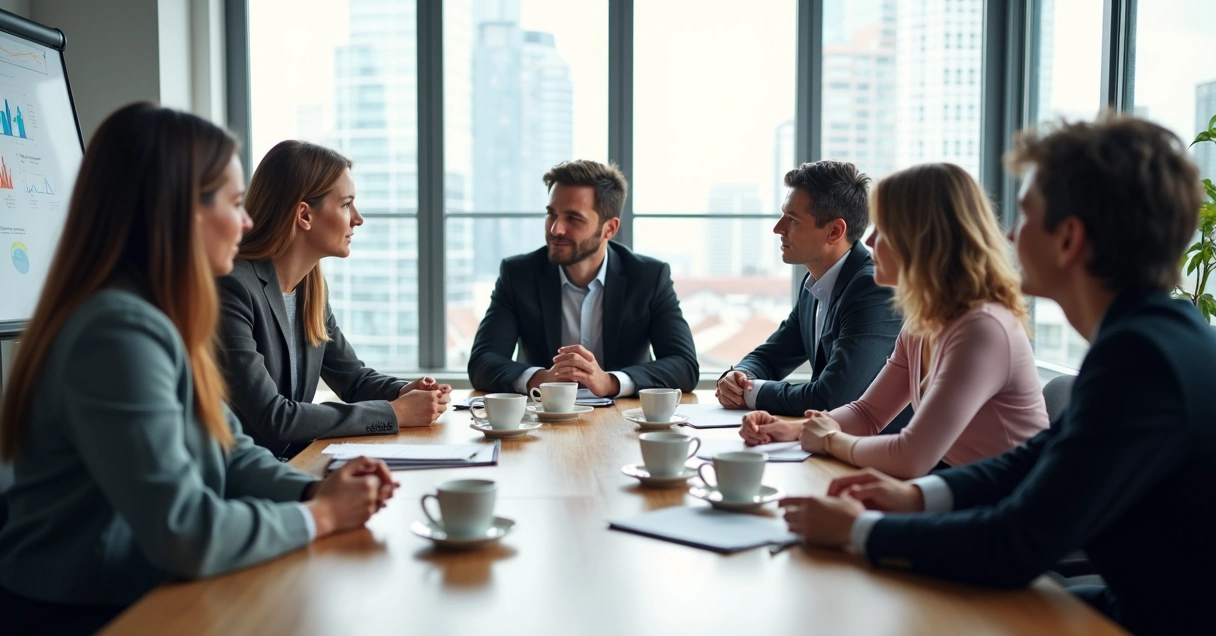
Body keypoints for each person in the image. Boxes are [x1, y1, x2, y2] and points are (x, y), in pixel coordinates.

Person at [779, 115, 1214, 636]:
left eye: (1026, 215)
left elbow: (1017, 543)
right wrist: (918, 498)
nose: (1008, 234)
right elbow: (1034, 458)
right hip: (1148, 606)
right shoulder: (1152, 337)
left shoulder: (1141, 359)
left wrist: (862, 531)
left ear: (1069, 239)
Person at [0, 103, 394, 636]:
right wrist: (321, 517)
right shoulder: (116, 331)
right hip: (87, 614)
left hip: (137, 591)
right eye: (235, 203)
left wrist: (311, 494)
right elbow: (182, 529)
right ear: (179, 212)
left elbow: (227, 448)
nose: (249, 222)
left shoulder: (160, 314)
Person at [741, 163, 1047, 478]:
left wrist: (829, 441)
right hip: (959, 487)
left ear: (924, 240)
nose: (869, 242)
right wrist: (797, 430)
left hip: (1007, 503)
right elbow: (867, 413)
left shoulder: (983, 328)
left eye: (883, 230)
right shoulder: (921, 320)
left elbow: (910, 456)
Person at [217, 141, 450, 459]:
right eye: (346, 205)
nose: (358, 218)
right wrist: (394, 413)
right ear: (304, 215)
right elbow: (273, 417)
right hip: (243, 486)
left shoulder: (310, 288)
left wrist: (407, 391)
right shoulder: (233, 288)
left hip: (294, 467)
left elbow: (352, 379)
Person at [467, 160, 698, 396]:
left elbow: (684, 366)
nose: (556, 229)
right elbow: (482, 362)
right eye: (552, 214)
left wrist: (611, 382)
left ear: (609, 228)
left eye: (573, 218)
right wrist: (541, 378)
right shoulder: (518, 274)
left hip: (623, 421)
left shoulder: (648, 277)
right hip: (542, 418)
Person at [715, 161, 909, 429]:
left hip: (883, 456)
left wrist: (749, 392)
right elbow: (772, 356)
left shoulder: (873, 289)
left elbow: (833, 397)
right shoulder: (814, 284)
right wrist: (740, 375)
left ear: (834, 231)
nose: (778, 228)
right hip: (832, 445)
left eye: (792, 219)